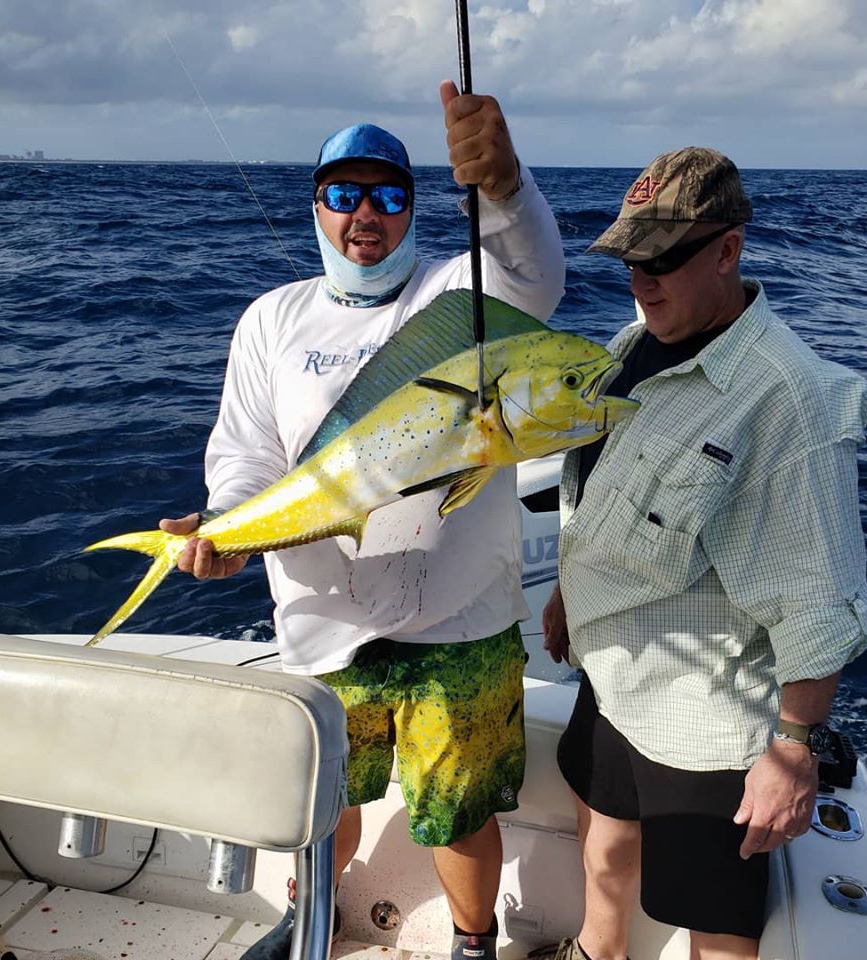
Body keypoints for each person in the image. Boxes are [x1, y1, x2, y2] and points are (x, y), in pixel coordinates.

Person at [160, 81, 565, 960]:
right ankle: (313, 920)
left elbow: (534, 275)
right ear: (317, 208)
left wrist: (504, 188)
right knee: (323, 801)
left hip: (455, 615)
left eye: (388, 193)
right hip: (322, 617)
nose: (365, 213)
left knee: (456, 810)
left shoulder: (460, 294)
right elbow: (244, 452)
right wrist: (229, 525)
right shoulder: (272, 318)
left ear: (415, 207)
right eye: (344, 194)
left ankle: (472, 941)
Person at [539, 147, 867, 960]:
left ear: (728, 250)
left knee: (713, 920)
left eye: (665, 258)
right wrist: (564, 595)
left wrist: (794, 748)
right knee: (604, 851)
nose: (642, 280)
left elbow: (819, 599)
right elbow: (599, 491)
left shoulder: (791, 399)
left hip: (706, 715)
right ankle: (599, 953)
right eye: (630, 259)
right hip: (613, 673)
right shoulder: (635, 343)